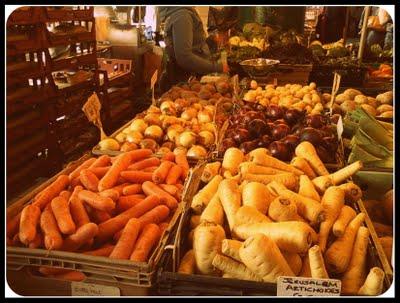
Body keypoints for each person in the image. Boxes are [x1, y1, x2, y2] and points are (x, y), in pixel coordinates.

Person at [158, 6, 229, 92]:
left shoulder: (182, 13)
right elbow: (184, 57)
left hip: (185, 78)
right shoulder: (182, 16)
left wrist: (211, 41)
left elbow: (193, 46)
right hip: (184, 83)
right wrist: (217, 67)